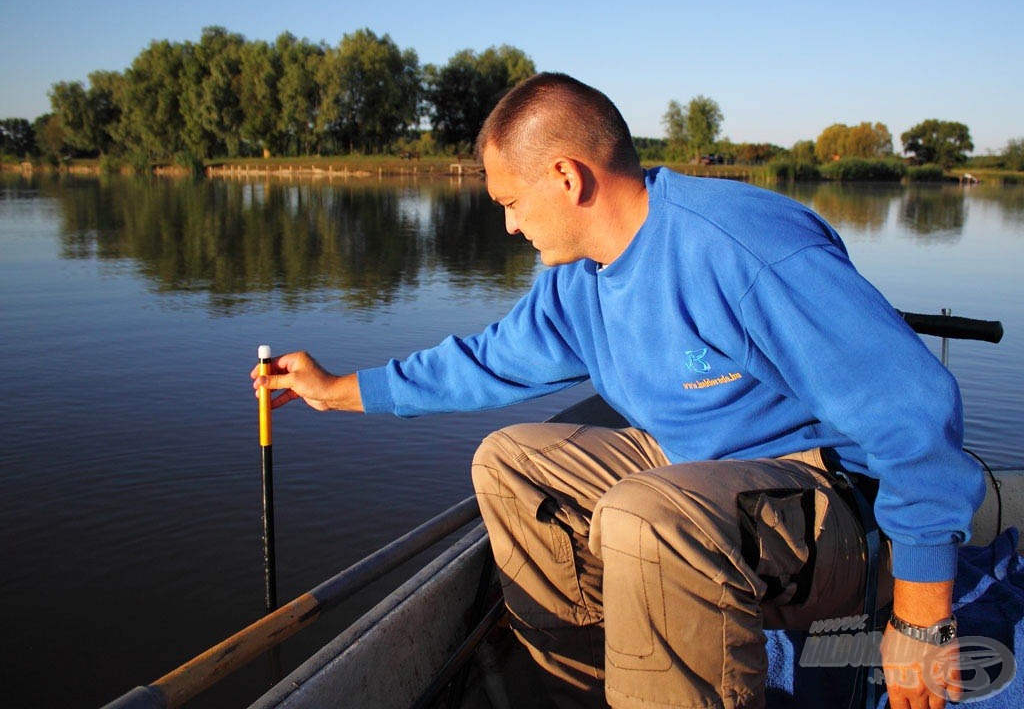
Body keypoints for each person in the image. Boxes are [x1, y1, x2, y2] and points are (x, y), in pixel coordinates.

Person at [252, 73, 984, 709]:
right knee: (509, 463)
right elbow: (487, 362)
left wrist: (921, 618)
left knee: (646, 514)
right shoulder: (577, 282)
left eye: (510, 201)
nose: (507, 225)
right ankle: (586, 692)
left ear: (567, 178)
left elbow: (913, 408)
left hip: (839, 509)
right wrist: (337, 389)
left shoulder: (739, 245)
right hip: (698, 476)